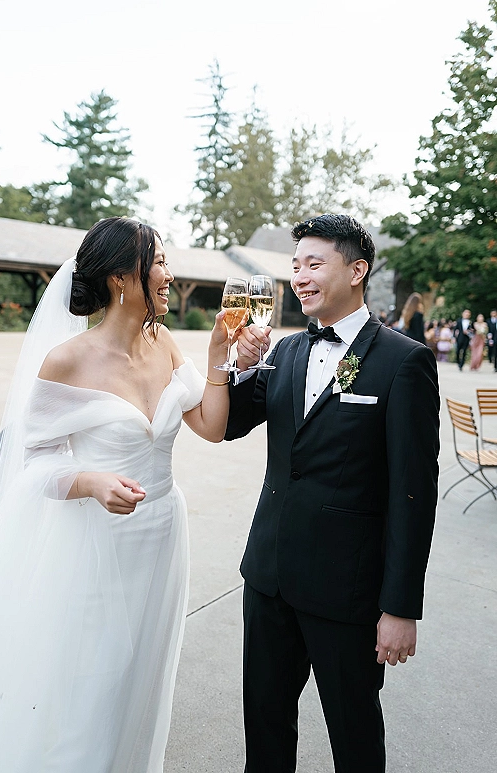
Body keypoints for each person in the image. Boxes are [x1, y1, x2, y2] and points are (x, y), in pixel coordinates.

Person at [0, 217, 232, 773]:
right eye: (158, 262)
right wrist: (89, 481)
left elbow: (208, 423)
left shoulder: (163, 342)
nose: (168, 274)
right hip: (92, 545)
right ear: (120, 279)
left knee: (140, 675)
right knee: (87, 680)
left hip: (161, 537)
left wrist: (217, 362)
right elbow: (24, 464)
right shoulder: (67, 359)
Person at [225, 214, 440, 773]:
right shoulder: (289, 350)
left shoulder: (402, 361)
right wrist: (241, 368)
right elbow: (231, 423)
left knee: (354, 735)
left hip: (347, 592)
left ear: (357, 270)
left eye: (314, 264)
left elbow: (413, 495)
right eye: (295, 265)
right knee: (264, 728)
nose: (300, 276)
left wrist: (399, 606)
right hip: (269, 577)